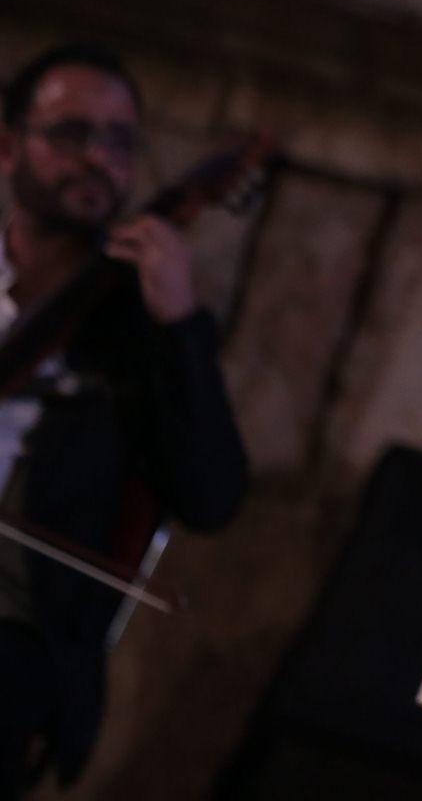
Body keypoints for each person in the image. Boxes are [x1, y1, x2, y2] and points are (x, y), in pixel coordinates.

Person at [0, 44, 248, 796]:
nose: (97, 159)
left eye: (119, 141)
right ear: (7, 148)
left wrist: (179, 321)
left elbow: (210, 495)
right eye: (71, 133)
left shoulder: (139, 331)